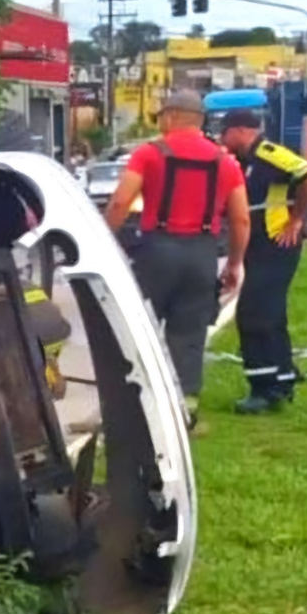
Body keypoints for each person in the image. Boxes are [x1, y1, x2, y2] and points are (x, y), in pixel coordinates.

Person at [104, 90, 251, 430]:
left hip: (156, 251)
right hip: (201, 255)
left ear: (170, 117)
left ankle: (131, 410)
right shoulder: (225, 162)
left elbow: (120, 203)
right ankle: (186, 413)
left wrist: (106, 241)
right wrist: (234, 263)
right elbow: (241, 219)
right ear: (200, 122)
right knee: (189, 337)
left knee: (136, 330)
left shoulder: (148, 154)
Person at [217, 109, 307, 414]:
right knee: (270, 313)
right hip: (261, 247)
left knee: (254, 313)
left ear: (239, 130)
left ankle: (265, 387)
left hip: (277, 243)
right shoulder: (247, 161)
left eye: (225, 132)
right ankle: (283, 378)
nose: (223, 139)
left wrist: (296, 220)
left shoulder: (267, 152)